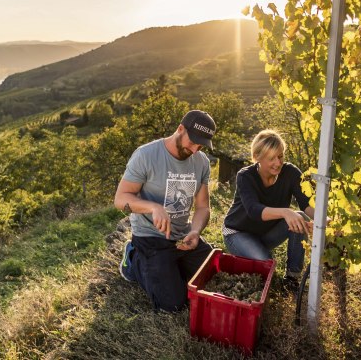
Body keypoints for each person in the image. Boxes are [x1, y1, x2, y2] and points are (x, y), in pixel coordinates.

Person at [114, 109, 216, 312]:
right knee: (173, 304)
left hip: (181, 236)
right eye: (192, 141)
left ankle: (171, 265)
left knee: (213, 275)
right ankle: (132, 259)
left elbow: (203, 207)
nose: (195, 149)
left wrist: (195, 232)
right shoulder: (146, 155)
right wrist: (153, 207)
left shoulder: (202, 162)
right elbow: (121, 199)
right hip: (150, 235)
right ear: (180, 129)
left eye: (201, 145)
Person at [222, 129, 315, 292]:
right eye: (271, 158)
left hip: (264, 235)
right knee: (267, 263)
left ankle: (291, 278)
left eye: (280, 156)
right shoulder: (245, 176)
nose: (278, 163)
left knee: (300, 217)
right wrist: (286, 212)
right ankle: (253, 256)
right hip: (237, 233)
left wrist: (324, 221)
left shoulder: (290, 172)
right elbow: (254, 210)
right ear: (257, 157)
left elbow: (306, 204)